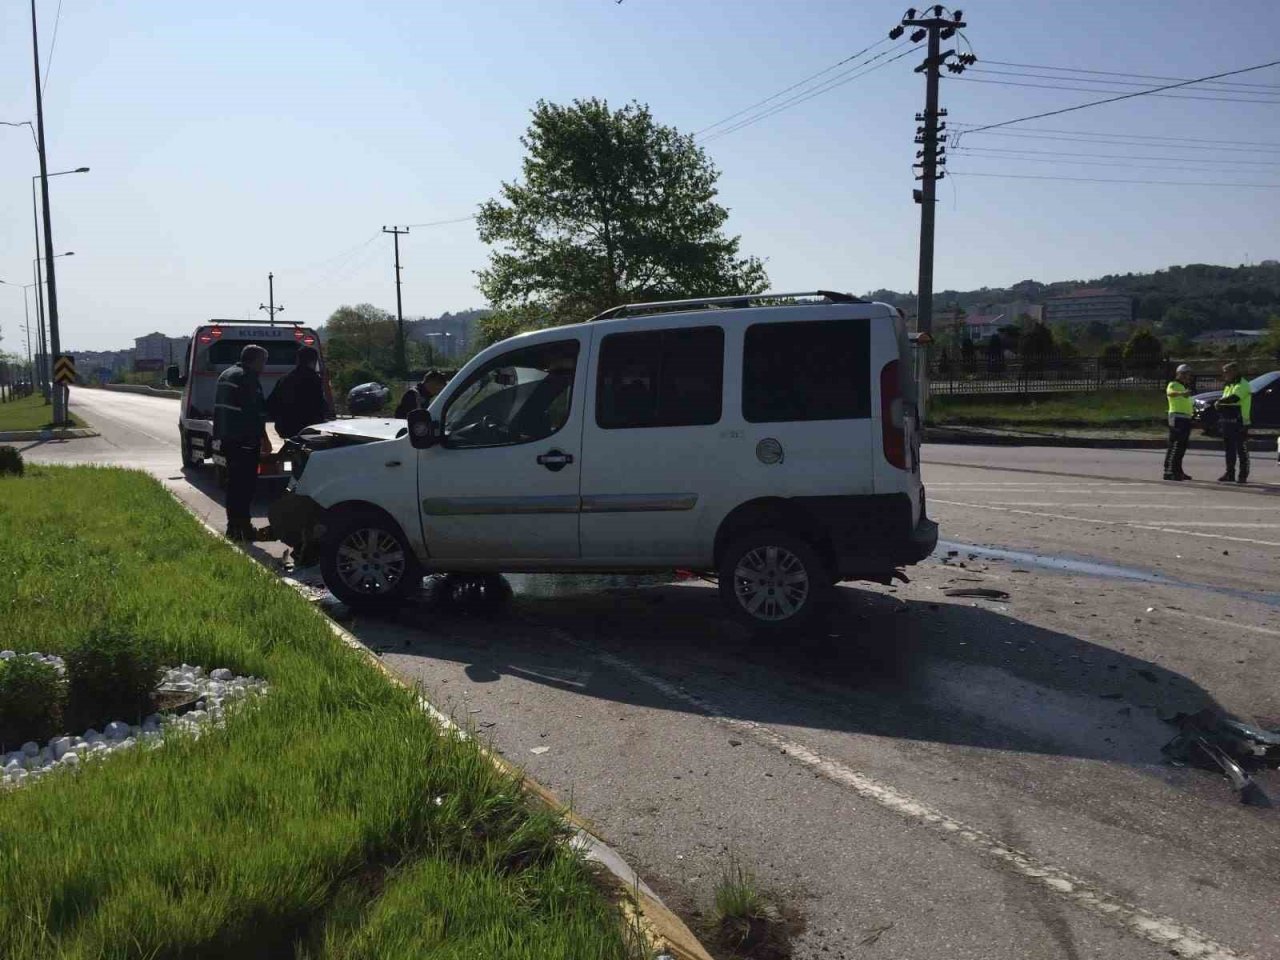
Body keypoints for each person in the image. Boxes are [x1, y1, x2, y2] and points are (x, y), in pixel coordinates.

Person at [214, 344, 271, 540]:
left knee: (234, 485)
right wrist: (264, 439)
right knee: (245, 487)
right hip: (244, 440)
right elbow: (254, 412)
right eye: (263, 362)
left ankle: (233, 528)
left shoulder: (226, 374)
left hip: (228, 438)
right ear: (255, 360)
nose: (264, 367)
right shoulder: (247, 377)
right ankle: (244, 529)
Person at [269, 345, 330, 439]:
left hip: (285, 426)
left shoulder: (285, 378)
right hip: (307, 427)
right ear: (314, 360)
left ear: (298, 359)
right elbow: (318, 403)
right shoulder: (314, 379)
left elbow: (272, 402)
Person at [1216, 362, 1251, 484]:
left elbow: (1234, 398)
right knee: (1229, 449)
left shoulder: (1243, 384)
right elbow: (1225, 403)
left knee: (1241, 449)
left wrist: (1219, 401)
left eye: (1226, 371)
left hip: (1240, 421)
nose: (1224, 374)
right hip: (1228, 421)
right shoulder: (1228, 385)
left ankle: (1243, 475)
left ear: (1234, 371)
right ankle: (1230, 473)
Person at [1163, 363, 1195, 481]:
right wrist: (1182, 394)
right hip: (1177, 418)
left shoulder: (1184, 386)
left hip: (1185, 418)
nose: (1186, 376)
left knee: (1182, 446)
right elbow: (1170, 393)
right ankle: (1169, 471)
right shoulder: (1173, 384)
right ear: (1178, 374)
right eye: (1184, 374)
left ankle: (1178, 470)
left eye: (1188, 374)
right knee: (1175, 445)